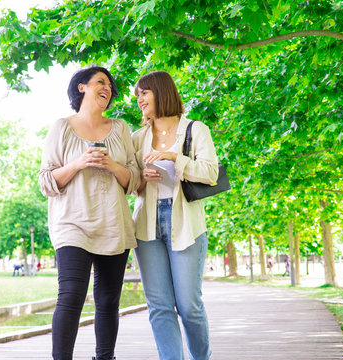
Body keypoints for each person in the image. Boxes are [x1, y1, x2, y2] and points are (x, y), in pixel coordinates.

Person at [38, 66, 140, 360]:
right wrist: (79, 163)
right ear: (81, 87)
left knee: (108, 301)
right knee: (71, 296)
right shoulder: (62, 127)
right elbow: (46, 181)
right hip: (72, 224)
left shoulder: (120, 128)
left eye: (110, 86)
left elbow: (134, 179)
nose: (107, 88)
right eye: (100, 82)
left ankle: (104, 358)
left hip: (113, 224)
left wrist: (113, 166)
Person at [132, 71, 218, 360]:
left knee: (189, 305)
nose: (139, 99)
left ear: (161, 91)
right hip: (147, 224)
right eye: (138, 94)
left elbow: (210, 173)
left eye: (144, 92)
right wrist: (141, 177)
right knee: (159, 306)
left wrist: (174, 158)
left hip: (186, 224)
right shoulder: (138, 137)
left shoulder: (195, 129)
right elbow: (132, 182)